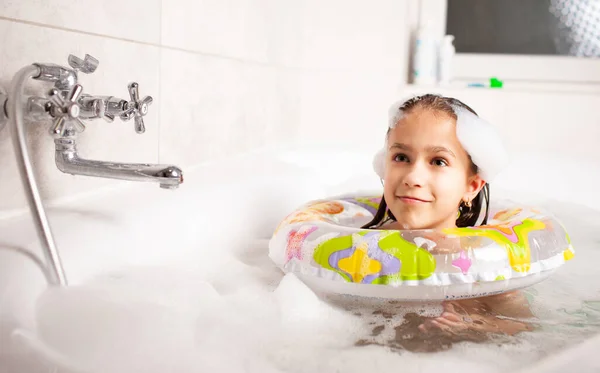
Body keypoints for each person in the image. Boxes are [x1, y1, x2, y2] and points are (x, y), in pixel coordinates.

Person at [361, 94, 533, 341]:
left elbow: (525, 329)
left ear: (471, 186)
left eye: (438, 161)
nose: (413, 177)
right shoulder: (366, 244)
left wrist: (473, 325)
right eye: (401, 157)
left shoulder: (481, 266)